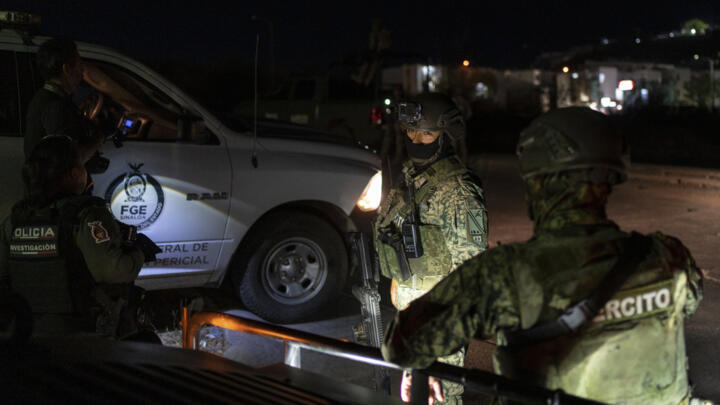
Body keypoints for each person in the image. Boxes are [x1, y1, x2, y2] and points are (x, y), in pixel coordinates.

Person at [382, 107, 704, 404]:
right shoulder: (669, 256)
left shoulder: (507, 274)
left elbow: (401, 343)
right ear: (609, 179)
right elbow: (688, 301)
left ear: (538, 183)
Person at [373, 93, 488, 404]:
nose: (416, 138)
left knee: (442, 397)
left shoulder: (459, 192)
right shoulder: (414, 175)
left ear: (448, 135)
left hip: (439, 320)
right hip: (411, 311)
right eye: (410, 131)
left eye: (426, 132)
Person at [0, 136, 160, 340]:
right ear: (73, 173)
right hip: (81, 337)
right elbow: (112, 270)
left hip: (27, 333)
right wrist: (139, 253)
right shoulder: (85, 214)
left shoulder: (15, 219)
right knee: (148, 341)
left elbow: (3, 277)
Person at [25, 38, 103, 163]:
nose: (82, 72)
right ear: (66, 69)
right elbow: (70, 160)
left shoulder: (45, 98)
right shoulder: (55, 106)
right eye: (79, 65)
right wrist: (98, 139)